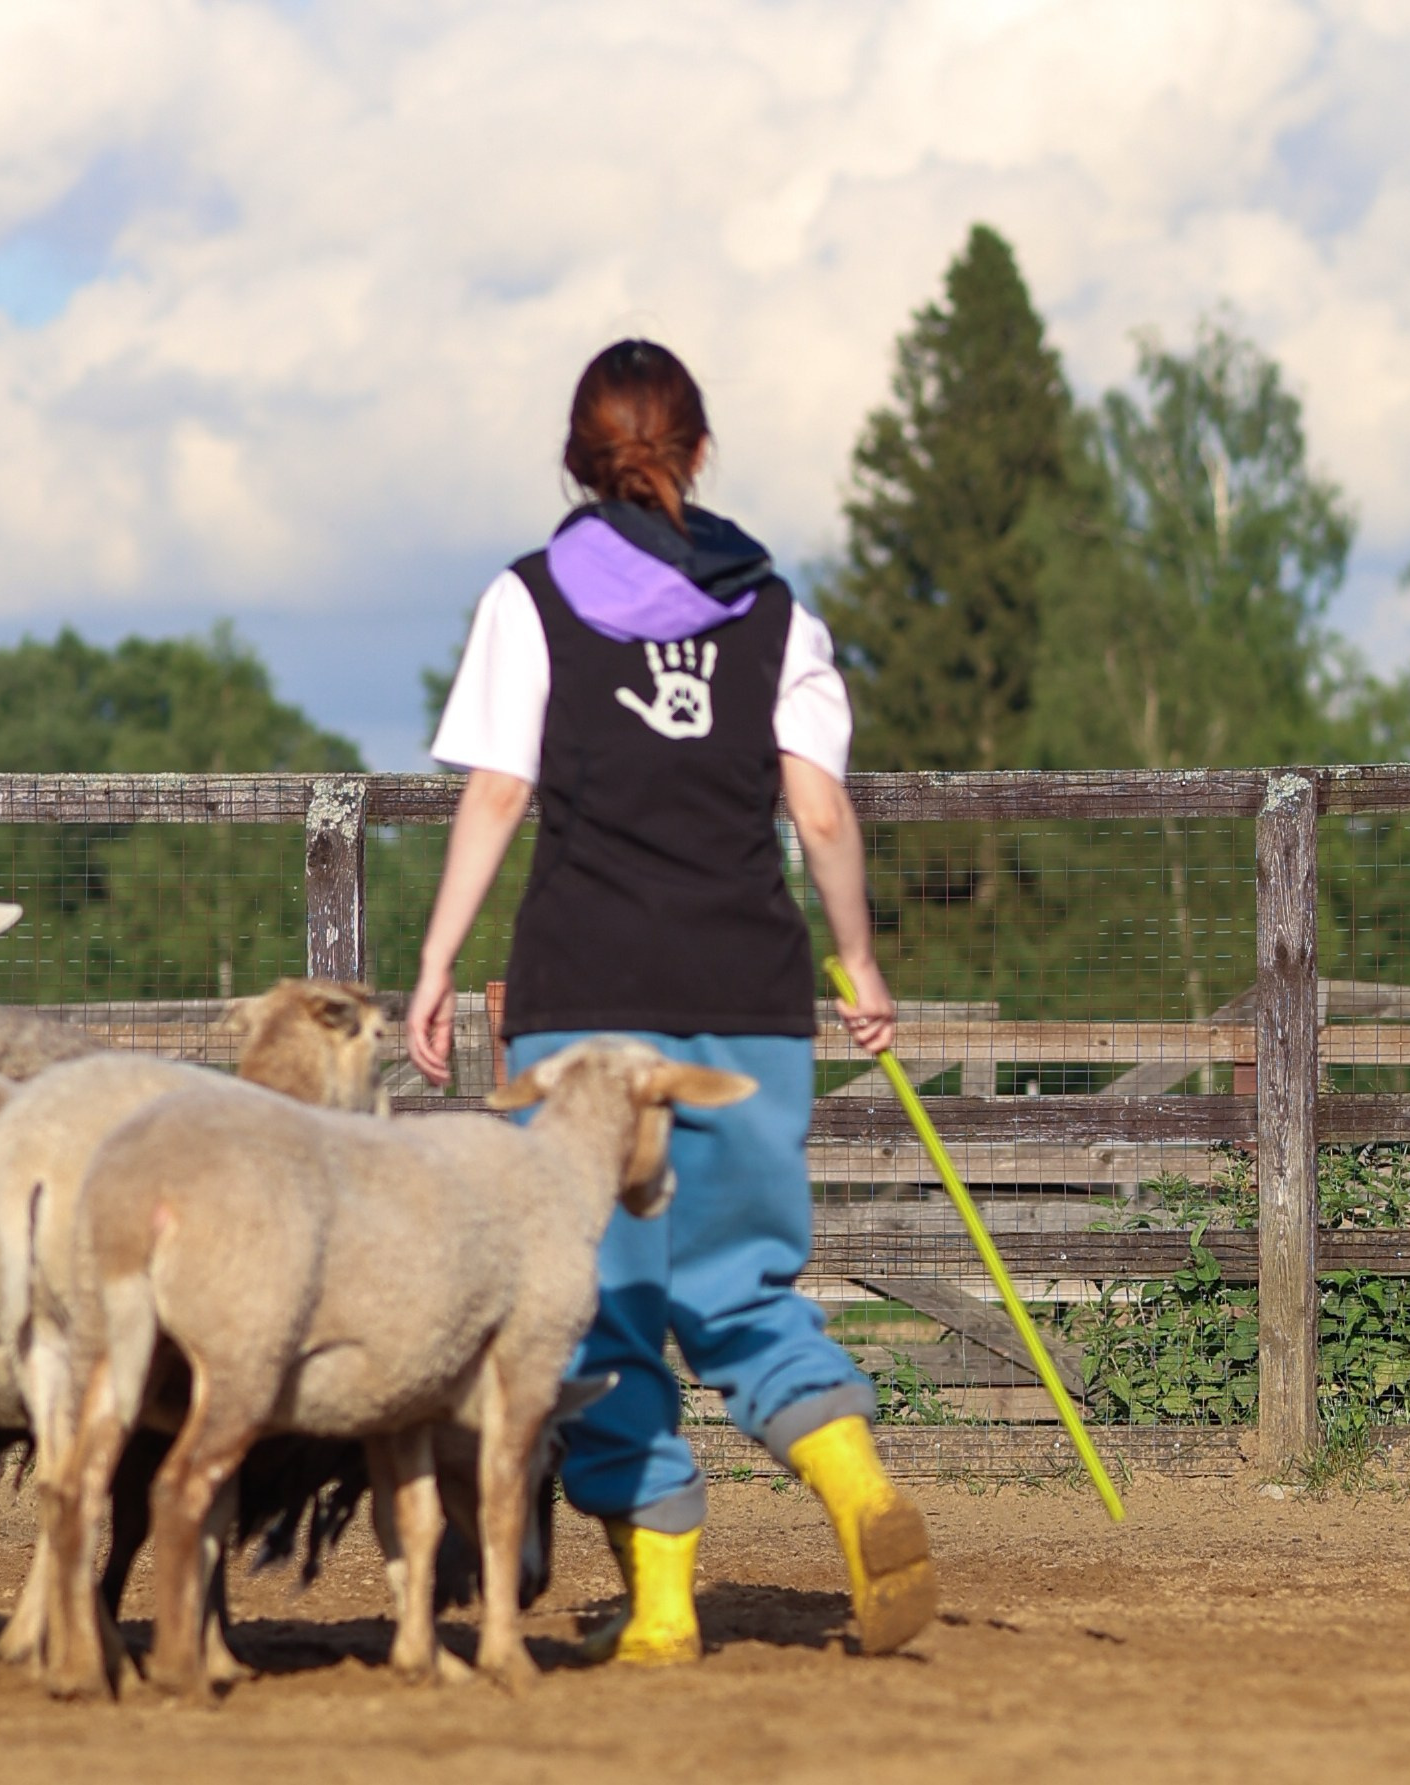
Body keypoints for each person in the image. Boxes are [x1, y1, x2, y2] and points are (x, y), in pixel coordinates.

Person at [408, 338, 934, 1661]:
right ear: (698, 451)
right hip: (748, 993)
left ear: (575, 459)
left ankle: (657, 1610)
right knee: (743, 1285)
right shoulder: (778, 612)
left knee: (598, 1300)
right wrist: (859, 958)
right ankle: (862, 1491)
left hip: (584, 1001)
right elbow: (816, 809)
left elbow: (496, 792)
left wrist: (431, 964)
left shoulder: (527, 600)